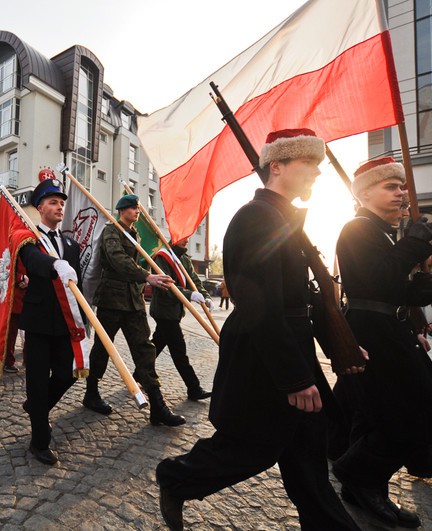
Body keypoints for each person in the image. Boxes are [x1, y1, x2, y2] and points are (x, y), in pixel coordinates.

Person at [156, 129, 360, 531]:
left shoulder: (282, 219)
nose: (317, 174)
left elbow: (303, 300)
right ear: (278, 166)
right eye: (309, 165)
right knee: (251, 448)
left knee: (307, 461)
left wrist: (343, 347)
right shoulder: (257, 218)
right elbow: (261, 307)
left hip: (287, 352)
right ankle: (176, 477)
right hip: (266, 358)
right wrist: (295, 377)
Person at [332, 156, 432, 529]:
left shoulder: (381, 232)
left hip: (389, 327)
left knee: (396, 402)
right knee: (403, 407)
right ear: (364, 193)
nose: (402, 194)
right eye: (391, 187)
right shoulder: (357, 229)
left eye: (402, 187)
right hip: (372, 331)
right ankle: (360, 476)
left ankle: (419, 456)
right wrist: (413, 247)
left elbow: (391, 284)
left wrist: (419, 291)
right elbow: (376, 280)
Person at [83, 194, 184, 427]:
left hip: (133, 300)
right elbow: (118, 259)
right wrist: (146, 276)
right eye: (133, 208)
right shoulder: (112, 230)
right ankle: (91, 392)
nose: (137, 211)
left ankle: (157, 406)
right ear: (122, 210)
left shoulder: (135, 234)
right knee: (103, 348)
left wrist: (144, 278)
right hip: (111, 299)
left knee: (144, 349)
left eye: (138, 208)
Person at [17, 178, 82, 464]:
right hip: (39, 322)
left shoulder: (71, 244)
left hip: (65, 321)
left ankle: (36, 408)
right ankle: (39, 442)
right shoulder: (29, 239)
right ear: (40, 207)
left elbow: (76, 282)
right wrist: (54, 264)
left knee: (67, 375)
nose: (60, 207)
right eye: (54, 202)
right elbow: (33, 262)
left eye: (62, 203)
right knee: (38, 381)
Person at [149, 237, 212, 401]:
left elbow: (193, 280)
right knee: (179, 351)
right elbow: (166, 285)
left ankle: (137, 374)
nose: (187, 241)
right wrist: (190, 295)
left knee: (157, 344)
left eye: (188, 238)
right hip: (164, 311)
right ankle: (194, 387)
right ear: (174, 237)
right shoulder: (162, 256)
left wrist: (205, 296)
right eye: (183, 238)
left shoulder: (183, 258)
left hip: (175, 312)